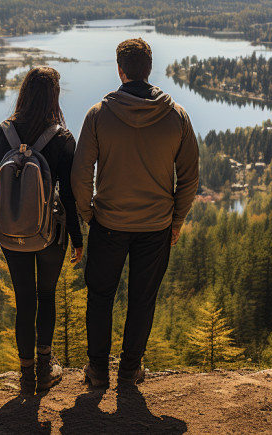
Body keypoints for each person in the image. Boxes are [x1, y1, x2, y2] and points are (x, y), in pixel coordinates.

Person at [71, 38, 199, 389]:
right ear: (149, 69)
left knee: (100, 296)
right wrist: (176, 222)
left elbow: (80, 174)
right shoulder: (177, 116)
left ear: (120, 70)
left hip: (108, 224)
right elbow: (189, 177)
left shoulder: (99, 115)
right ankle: (130, 369)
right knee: (142, 299)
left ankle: (97, 370)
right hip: (156, 228)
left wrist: (88, 215)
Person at [0, 66, 84, 395]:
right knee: (46, 296)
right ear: (54, 95)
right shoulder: (62, 138)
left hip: (11, 235)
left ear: (23, 93)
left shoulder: (2, 134)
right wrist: (78, 240)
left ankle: (25, 374)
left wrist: (9, 210)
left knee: (24, 299)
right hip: (51, 235)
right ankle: (44, 368)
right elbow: (70, 196)